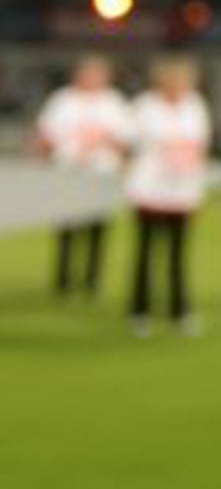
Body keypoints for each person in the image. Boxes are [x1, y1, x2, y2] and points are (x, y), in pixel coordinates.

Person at [32, 54, 132, 300]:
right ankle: (64, 280)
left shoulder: (113, 102)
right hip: (68, 172)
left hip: (100, 173)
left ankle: (91, 280)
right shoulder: (63, 100)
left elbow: (124, 139)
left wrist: (118, 160)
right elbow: (45, 135)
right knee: (67, 227)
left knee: (97, 228)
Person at [125, 54, 211, 336]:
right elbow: (129, 145)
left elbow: (200, 149)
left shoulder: (195, 106)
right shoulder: (145, 107)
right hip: (150, 189)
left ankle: (180, 310)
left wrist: (196, 189)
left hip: (182, 191)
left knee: (178, 255)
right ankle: (140, 310)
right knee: (146, 253)